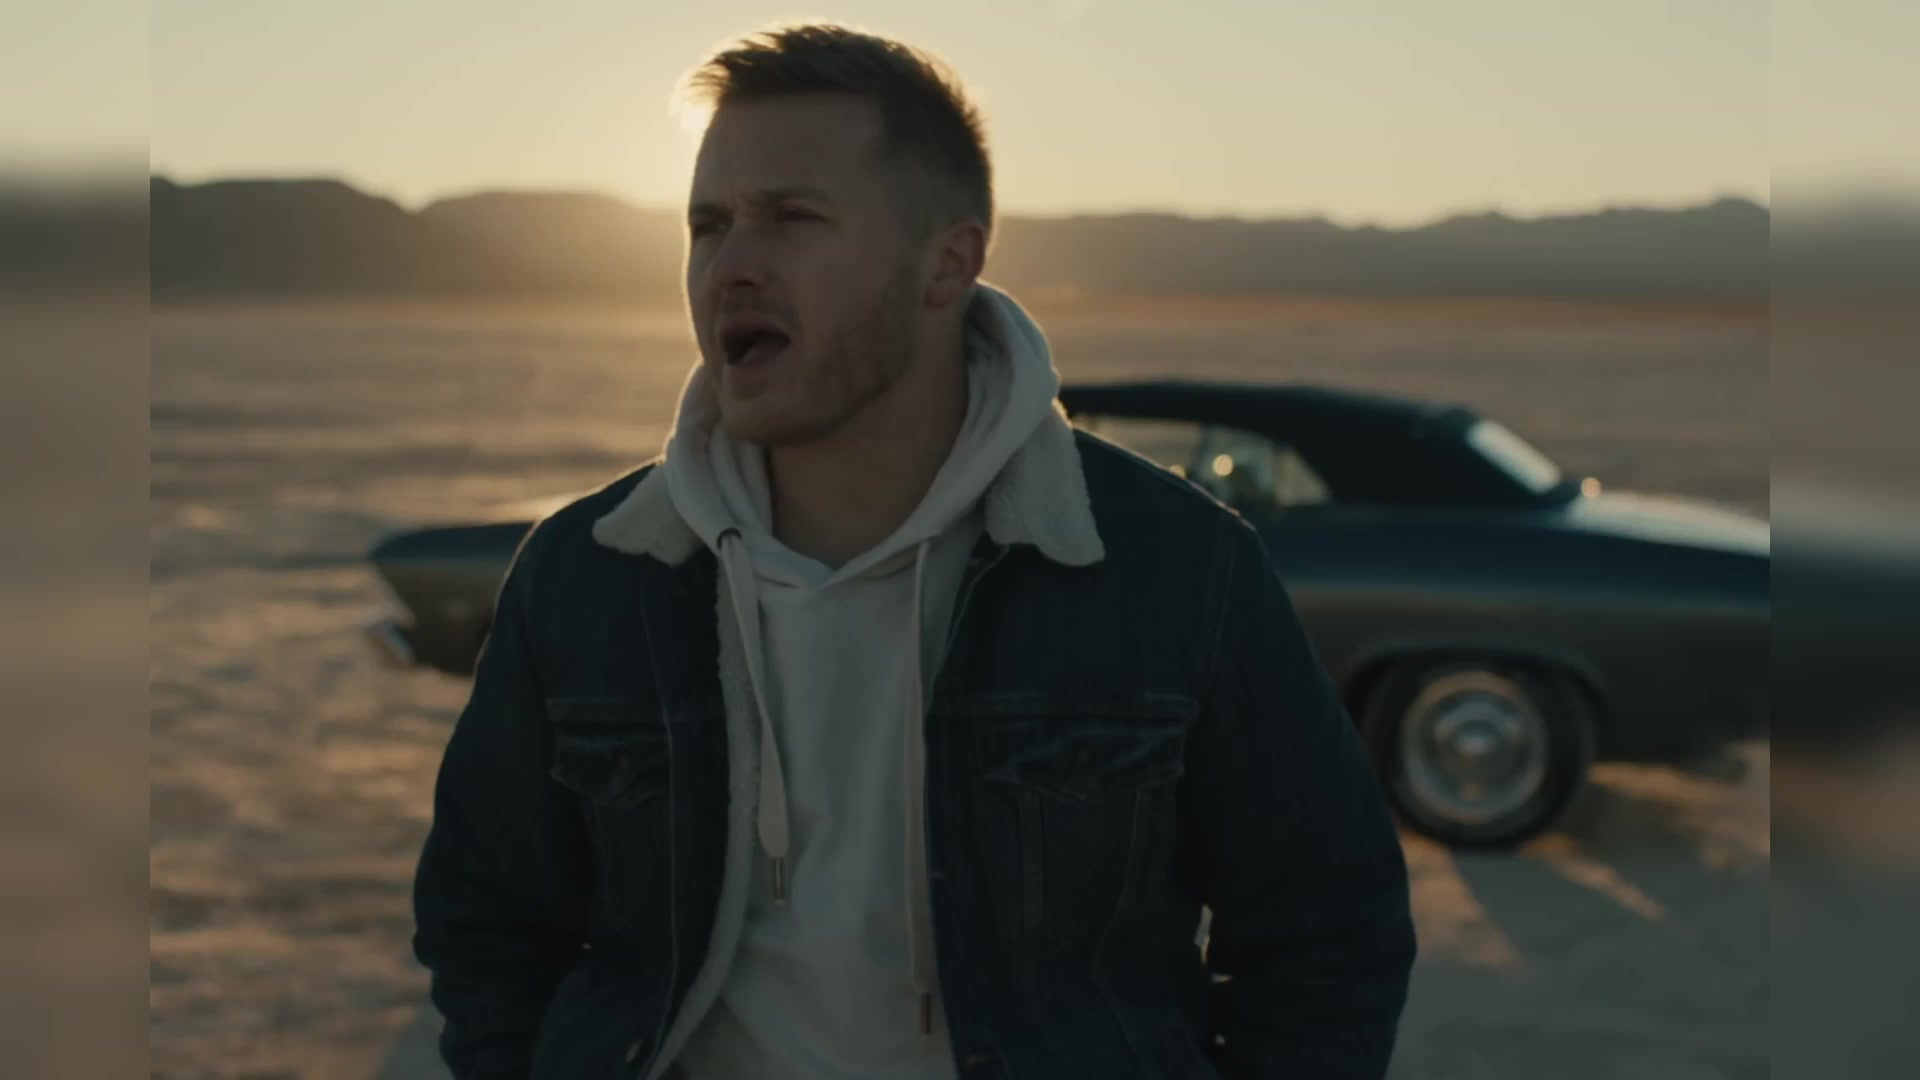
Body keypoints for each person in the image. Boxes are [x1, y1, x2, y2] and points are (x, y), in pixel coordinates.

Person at [412, 21, 1416, 1080]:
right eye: (708, 225)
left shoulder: (1171, 569)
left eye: (793, 217)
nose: (732, 265)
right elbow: (488, 923)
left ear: (949, 263)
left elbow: (1326, 933)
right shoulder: (592, 573)